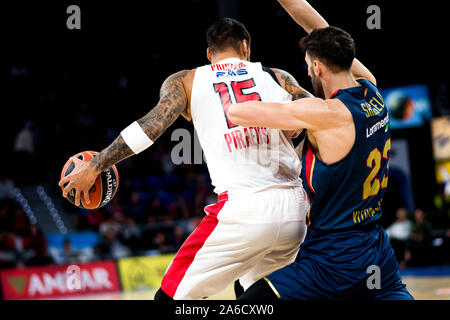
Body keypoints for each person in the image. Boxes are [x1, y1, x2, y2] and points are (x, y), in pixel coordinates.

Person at [58, 17, 313, 300]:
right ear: (245, 48)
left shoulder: (187, 80)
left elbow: (151, 127)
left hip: (244, 210)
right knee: (251, 290)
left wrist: (95, 165)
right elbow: (316, 122)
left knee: (168, 299)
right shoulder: (278, 77)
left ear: (208, 53)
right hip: (295, 212)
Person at [229, 0, 413, 299]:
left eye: (307, 66)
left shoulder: (323, 113)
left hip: (332, 257)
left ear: (316, 66)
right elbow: (321, 30)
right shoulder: (373, 92)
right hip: (376, 249)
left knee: (250, 298)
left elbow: (237, 112)